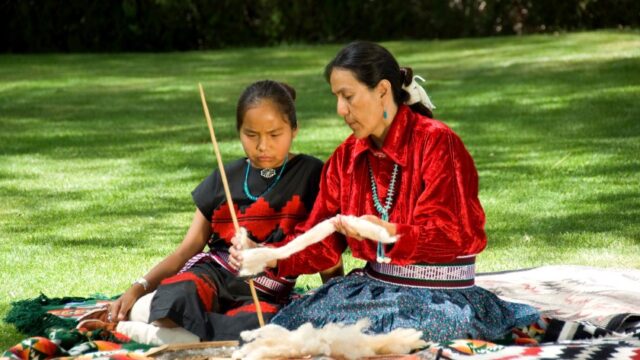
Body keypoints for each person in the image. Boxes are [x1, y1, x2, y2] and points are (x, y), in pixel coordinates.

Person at [230, 42, 539, 342]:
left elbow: (453, 234)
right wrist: (267, 255)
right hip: (377, 289)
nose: (340, 110)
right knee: (291, 326)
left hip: (442, 296)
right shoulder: (345, 158)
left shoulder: (436, 143)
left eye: (348, 96)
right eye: (337, 98)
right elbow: (322, 243)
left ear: (382, 91)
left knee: (421, 334)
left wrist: (390, 232)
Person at [106, 80, 342, 342]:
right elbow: (188, 248)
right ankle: (174, 327)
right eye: (251, 135)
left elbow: (327, 250)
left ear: (294, 130)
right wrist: (138, 287)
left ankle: (163, 336)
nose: (263, 146)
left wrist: (336, 298)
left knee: (260, 326)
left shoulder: (312, 174)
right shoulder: (225, 176)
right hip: (213, 275)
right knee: (177, 296)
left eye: (275, 135)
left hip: (265, 290)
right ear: (239, 131)